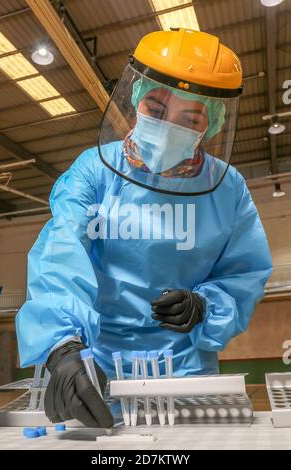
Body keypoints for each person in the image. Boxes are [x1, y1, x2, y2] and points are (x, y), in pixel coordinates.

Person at [16, 29, 272, 428]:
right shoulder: (95, 171)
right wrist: (62, 347)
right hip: (96, 371)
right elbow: (60, 253)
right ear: (136, 99)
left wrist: (205, 304)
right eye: (156, 108)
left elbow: (244, 273)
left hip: (185, 372)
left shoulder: (228, 189)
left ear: (213, 123)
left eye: (190, 118)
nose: (170, 125)